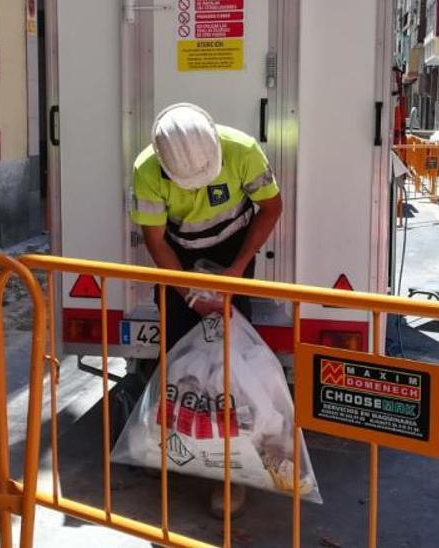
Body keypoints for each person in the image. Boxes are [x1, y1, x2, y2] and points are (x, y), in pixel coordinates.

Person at [128, 103, 283, 516]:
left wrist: (235, 273)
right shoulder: (147, 170)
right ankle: (173, 450)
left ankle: (232, 475)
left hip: (234, 252)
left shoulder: (243, 150)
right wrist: (189, 293)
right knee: (178, 360)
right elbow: (157, 241)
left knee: (234, 369)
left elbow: (270, 208)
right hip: (178, 259)